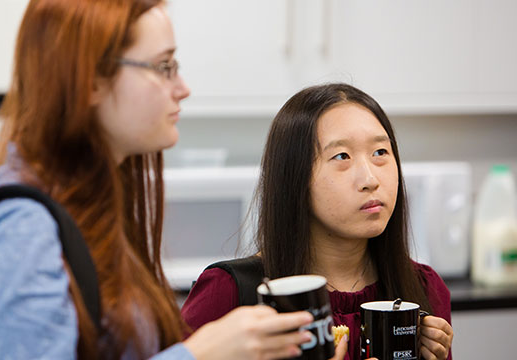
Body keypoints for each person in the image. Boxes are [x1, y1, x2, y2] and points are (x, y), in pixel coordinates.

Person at [0, 0, 332, 359]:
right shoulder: (23, 229)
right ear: (90, 82)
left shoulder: (90, 205)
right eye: (164, 66)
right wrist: (201, 353)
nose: (182, 87)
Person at [181, 83, 454, 360]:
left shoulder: (424, 287)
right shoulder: (228, 293)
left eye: (380, 152)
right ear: (295, 179)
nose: (370, 179)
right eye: (341, 156)